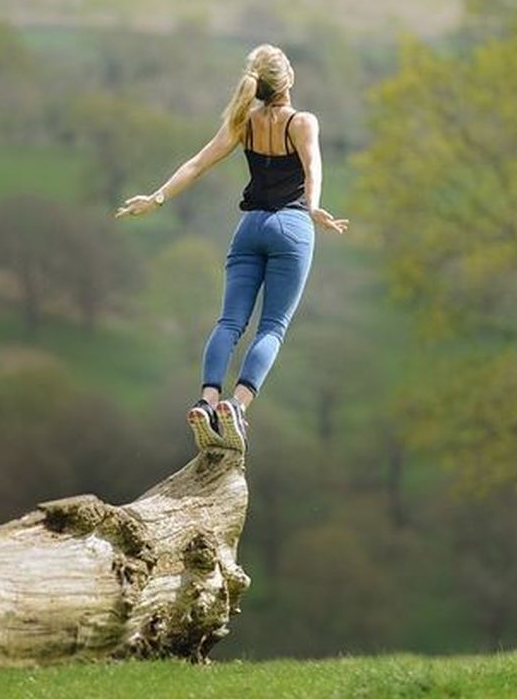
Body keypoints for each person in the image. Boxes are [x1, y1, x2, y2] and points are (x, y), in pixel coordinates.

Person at [114, 43, 348, 454]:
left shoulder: (245, 122)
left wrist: (157, 199)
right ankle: (236, 407)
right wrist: (312, 208)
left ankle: (205, 402)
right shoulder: (303, 122)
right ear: (288, 79)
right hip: (290, 227)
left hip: (249, 229)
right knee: (272, 326)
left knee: (229, 323)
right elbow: (313, 166)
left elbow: (196, 164)